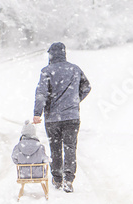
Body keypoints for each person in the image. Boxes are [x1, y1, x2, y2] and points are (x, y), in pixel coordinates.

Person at [33, 42, 91, 193]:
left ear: (51, 55)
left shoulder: (47, 71)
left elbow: (41, 94)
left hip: (52, 118)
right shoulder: (75, 69)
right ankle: (69, 179)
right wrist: (75, 100)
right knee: (70, 147)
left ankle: (57, 179)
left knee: (55, 148)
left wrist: (37, 113)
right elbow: (87, 87)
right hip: (72, 117)